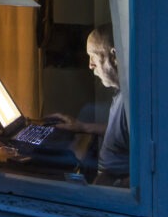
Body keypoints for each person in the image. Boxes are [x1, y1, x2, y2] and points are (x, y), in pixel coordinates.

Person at [51, 24, 129, 187]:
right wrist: (83, 127)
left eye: (93, 56)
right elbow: (123, 134)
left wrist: (100, 190)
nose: (90, 65)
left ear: (115, 55)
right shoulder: (121, 91)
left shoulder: (129, 101)